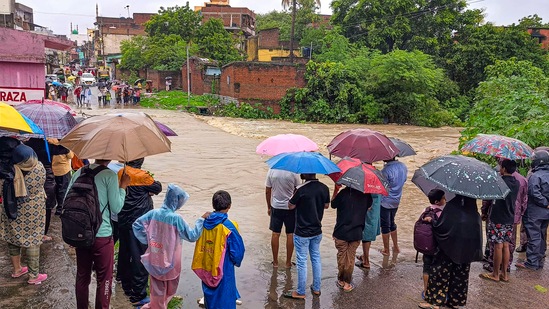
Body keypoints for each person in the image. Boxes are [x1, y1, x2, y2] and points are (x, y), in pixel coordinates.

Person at [133, 184, 208, 309]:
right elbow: (192, 236)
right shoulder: (176, 218)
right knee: (170, 289)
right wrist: (201, 220)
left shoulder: (153, 213)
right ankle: (160, 305)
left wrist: (149, 240)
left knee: (156, 288)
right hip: (172, 260)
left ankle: (156, 305)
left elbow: (137, 225)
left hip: (155, 256)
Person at [67, 159, 130, 309]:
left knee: (82, 276)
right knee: (105, 279)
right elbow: (116, 207)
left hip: (81, 233)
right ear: (109, 156)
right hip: (102, 236)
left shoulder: (79, 172)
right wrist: (123, 186)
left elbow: (66, 201)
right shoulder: (109, 175)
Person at [418, 195, 483, 309]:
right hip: (465, 250)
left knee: (439, 273)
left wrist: (432, 221)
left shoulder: (452, 208)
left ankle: (435, 302)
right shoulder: (474, 212)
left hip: (448, 248)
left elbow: (441, 226)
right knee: (461, 276)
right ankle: (456, 301)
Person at [0, 143, 48, 284]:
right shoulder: (39, 168)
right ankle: (34, 276)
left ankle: (17, 269)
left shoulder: (6, 173)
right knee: (33, 240)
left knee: (13, 238)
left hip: (11, 210)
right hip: (33, 211)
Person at [117, 158, 162, 307]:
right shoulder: (143, 176)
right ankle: (138, 294)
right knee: (140, 258)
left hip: (123, 219)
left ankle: (125, 284)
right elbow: (158, 187)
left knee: (125, 253)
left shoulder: (120, 173)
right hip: (140, 223)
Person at [193, 190, 244, 309]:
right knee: (225, 299)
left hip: (207, 266)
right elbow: (237, 253)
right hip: (224, 268)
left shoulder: (203, 222)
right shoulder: (229, 226)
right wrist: (236, 262)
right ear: (229, 206)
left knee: (210, 296)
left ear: (213, 205)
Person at [283, 174, 330, 299]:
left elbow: (290, 205)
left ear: (305, 174)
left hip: (302, 232)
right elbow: (326, 205)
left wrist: (294, 194)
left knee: (302, 261)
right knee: (316, 258)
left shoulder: (301, 189)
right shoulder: (324, 188)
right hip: (317, 230)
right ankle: (316, 288)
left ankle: (300, 292)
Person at [480, 159, 519, 282]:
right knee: (506, 245)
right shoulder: (516, 182)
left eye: (501, 166)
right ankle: (504, 274)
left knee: (497, 246)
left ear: (504, 169)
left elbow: (489, 198)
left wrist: (484, 213)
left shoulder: (499, 182)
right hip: (509, 217)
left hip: (498, 217)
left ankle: (495, 274)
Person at [25, 138, 68, 241]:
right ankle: (42, 234)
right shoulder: (47, 145)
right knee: (47, 206)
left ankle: (28, 231)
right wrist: (56, 142)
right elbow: (65, 150)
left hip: (29, 175)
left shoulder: (27, 144)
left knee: (29, 203)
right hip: (46, 175)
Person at [331, 185, 371, 292]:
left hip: (341, 231)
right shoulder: (366, 195)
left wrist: (335, 189)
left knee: (341, 255)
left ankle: (341, 279)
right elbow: (369, 207)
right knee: (351, 256)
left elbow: (333, 204)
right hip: (356, 231)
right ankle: (347, 283)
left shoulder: (343, 194)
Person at [517, 149, 549, 270]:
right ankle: (539, 260)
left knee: (534, 237)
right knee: (541, 235)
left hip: (535, 212)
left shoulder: (535, 176)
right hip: (545, 213)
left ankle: (532, 262)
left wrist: (545, 203)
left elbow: (533, 193)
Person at [265, 168, 300, 268]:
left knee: (275, 233)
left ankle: (275, 262)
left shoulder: (272, 169)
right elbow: (297, 190)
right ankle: (288, 262)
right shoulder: (294, 171)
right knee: (290, 234)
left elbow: (268, 190)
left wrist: (268, 206)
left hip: (276, 206)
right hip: (290, 207)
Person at [420, 189, 446, 298]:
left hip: (427, 246)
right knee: (438, 269)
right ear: (437, 202)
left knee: (426, 268)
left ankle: (426, 291)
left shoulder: (426, 210)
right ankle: (437, 291)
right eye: (444, 198)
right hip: (438, 247)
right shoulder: (442, 213)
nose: (445, 200)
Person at [379, 157, 408, 256]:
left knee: (385, 225)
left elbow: (382, 187)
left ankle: (386, 250)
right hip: (397, 199)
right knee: (392, 222)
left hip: (385, 201)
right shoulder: (403, 166)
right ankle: (396, 247)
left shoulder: (385, 171)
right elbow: (404, 180)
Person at [49, 139, 74, 216]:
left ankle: (53, 206)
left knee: (54, 189)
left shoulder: (49, 143)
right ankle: (60, 208)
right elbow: (71, 156)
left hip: (53, 170)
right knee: (63, 190)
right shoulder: (65, 145)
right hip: (64, 171)